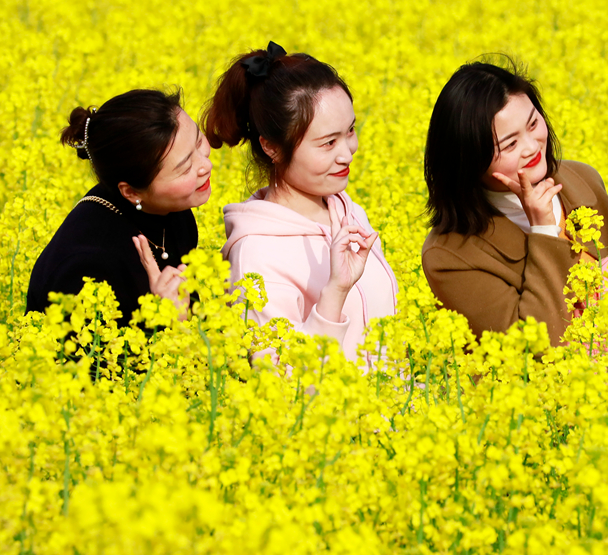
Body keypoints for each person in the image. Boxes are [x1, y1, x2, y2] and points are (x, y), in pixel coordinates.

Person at [203, 41, 397, 360]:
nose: (348, 152)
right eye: (328, 143)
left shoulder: (349, 212)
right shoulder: (257, 255)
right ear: (273, 148)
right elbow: (281, 384)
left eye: (349, 131)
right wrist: (335, 291)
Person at [421, 57, 608, 344]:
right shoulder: (450, 255)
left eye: (533, 124)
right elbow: (537, 346)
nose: (532, 147)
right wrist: (543, 231)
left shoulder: (584, 180)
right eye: (510, 144)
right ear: (469, 160)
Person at [27, 88, 212, 325]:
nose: (205, 164)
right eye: (185, 167)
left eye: (198, 141)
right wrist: (165, 321)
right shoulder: (86, 270)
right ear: (132, 192)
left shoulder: (170, 210)